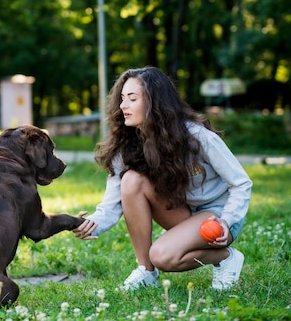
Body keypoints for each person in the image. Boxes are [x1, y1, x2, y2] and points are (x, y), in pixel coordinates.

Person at [73, 67, 252, 291]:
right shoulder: (127, 144)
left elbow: (241, 183)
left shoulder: (196, 136)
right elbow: (112, 202)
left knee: (163, 256)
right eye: (122, 98)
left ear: (154, 101)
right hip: (183, 212)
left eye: (132, 99)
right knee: (131, 180)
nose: (123, 106)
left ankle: (225, 256)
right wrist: (88, 225)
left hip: (218, 216)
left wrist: (227, 219)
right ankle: (146, 271)